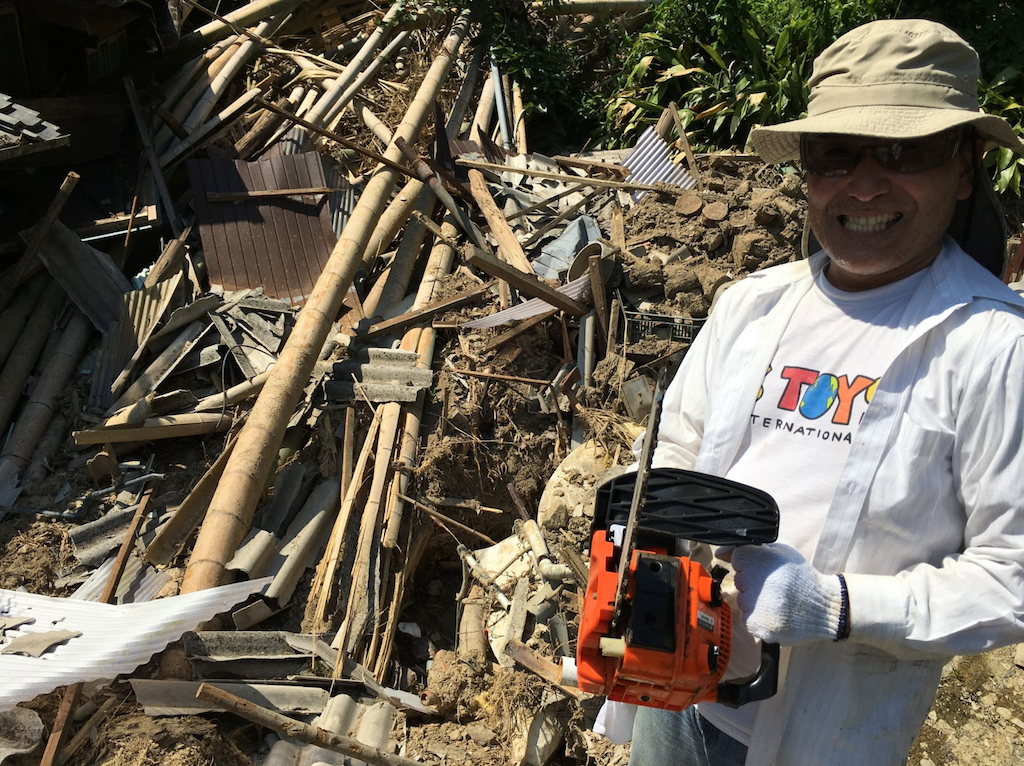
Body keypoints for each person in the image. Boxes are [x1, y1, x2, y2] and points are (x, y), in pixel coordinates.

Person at [619, 18, 1024, 766]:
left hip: (828, 737)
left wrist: (837, 607)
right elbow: (676, 446)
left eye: (907, 152)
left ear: (965, 169)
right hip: (676, 687)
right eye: (836, 155)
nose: (865, 183)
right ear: (807, 168)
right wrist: (641, 522)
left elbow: (1012, 579)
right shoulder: (751, 305)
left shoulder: (996, 347)